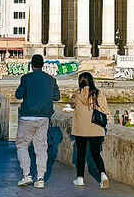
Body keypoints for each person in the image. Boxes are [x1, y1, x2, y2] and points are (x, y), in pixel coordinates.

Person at [14, 54, 59, 188]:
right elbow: (56, 97)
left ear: (31, 65)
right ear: (43, 64)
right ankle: (40, 178)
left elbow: (18, 95)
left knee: (22, 145)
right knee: (41, 148)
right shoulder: (51, 79)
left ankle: (27, 175)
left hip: (27, 116)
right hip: (44, 117)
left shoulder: (26, 78)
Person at [70, 72, 111, 188]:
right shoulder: (98, 94)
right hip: (96, 129)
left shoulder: (77, 95)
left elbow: (72, 105)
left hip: (80, 130)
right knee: (96, 154)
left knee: (81, 154)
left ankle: (80, 179)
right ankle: (103, 176)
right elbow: (106, 110)